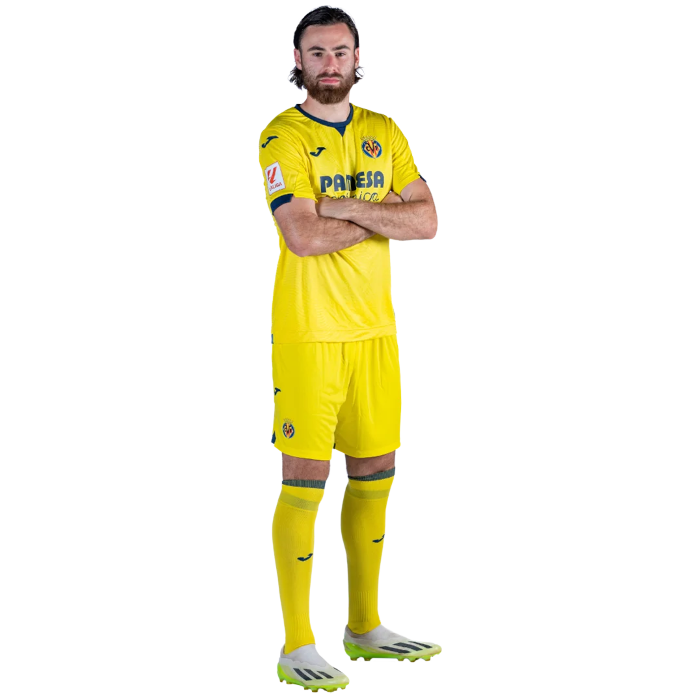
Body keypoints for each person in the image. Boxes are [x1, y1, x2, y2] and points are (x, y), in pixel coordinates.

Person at [259, 6, 440, 693]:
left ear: (358, 56)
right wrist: (383, 213)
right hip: (309, 334)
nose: (329, 64)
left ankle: (364, 628)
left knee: (376, 470)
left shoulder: (383, 131)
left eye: (340, 51)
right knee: (305, 479)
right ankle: (296, 645)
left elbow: (427, 222)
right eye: (316, 53)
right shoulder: (281, 135)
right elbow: (302, 236)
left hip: (376, 332)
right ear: (297, 60)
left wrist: (345, 207)